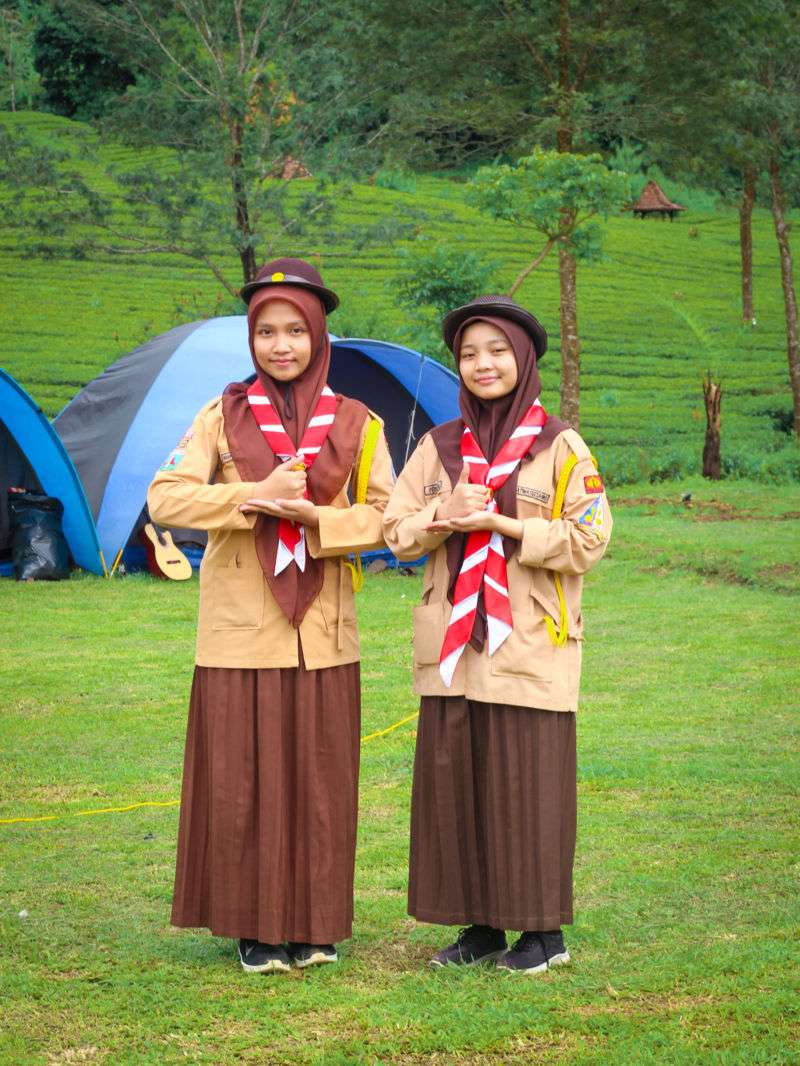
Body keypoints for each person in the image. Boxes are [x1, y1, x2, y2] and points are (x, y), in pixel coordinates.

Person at [148, 257, 393, 974]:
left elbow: (388, 516)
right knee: (243, 781)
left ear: (319, 336)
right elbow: (166, 497)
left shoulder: (358, 422)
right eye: (266, 332)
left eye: (295, 331)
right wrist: (251, 497)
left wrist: (320, 519)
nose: (281, 346)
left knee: (321, 781)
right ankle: (254, 928)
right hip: (238, 632)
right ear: (251, 339)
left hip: (324, 634)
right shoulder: (219, 415)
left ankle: (316, 924)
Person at [382, 294, 612, 974]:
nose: (482, 364)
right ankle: (480, 927)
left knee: (528, 787)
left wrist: (509, 527)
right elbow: (395, 532)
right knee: (461, 787)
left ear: (525, 358)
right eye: (469, 354)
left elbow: (591, 537)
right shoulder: (439, 447)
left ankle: (542, 935)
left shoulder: (559, 445)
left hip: (530, 643)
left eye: (497, 351)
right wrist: (444, 513)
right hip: (453, 650)